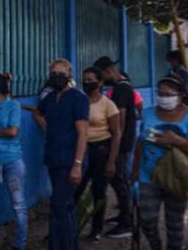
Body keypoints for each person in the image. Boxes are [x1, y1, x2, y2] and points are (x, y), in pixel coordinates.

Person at [130, 75, 188, 250]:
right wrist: (134, 170)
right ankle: (155, 245)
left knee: (174, 223)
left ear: (180, 96)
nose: (164, 98)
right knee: (147, 218)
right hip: (148, 176)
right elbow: (140, 142)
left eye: (168, 94)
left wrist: (177, 141)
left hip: (178, 177)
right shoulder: (149, 113)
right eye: (161, 93)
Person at [36, 59, 88, 250]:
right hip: (54, 158)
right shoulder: (50, 98)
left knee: (59, 205)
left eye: (61, 74)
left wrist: (77, 164)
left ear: (69, 75)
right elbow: (38, 113)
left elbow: (83, 132)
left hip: (70, 159)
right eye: (53, 74)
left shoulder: (78, 98)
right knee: (63, 206)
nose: (57, 77)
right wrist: (48, 128)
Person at [74, 67, 121, 243]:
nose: (87, 82)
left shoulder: (108, 105)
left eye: (91, 79)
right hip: (80, 150)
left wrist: (111, 161)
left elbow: (116, 134)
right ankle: (72, 225)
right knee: (76, 190)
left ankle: (96, 229)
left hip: (100, 151)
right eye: (85, 79)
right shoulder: (79, 101)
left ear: (100, 82)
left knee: (98, 191)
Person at [93, 56, 135, 239]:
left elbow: (120, 120)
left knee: (119, 181)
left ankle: (127, 223)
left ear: (107, 71)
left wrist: (114, 145)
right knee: (119, 181)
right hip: (124, 141)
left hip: (120, 143)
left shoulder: (121, 89)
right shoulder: (124, 87)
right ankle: (123, 217)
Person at [0, 72, 27, 250]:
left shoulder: (13, 105)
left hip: (12, 160)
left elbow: (13, 132)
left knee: (18, 205)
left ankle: (20, 245)